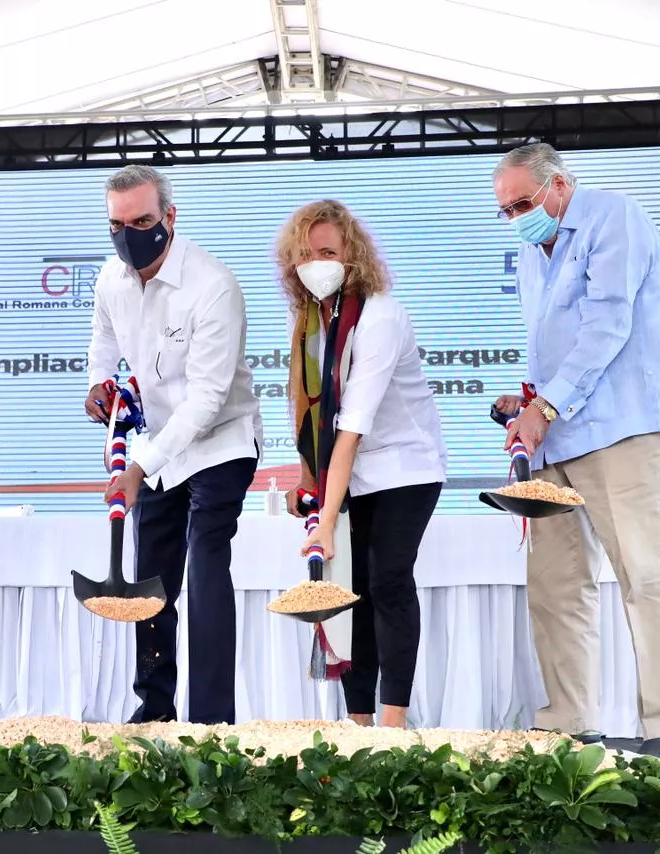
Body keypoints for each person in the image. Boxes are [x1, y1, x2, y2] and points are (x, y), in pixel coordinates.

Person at [492, 143, 660, 751]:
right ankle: (568, 724)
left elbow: (608, 324)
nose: (515, 218)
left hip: (624, 429)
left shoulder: (615, 219)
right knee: (555, 585)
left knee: (644, 577)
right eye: (503, 210)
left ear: (559, 187)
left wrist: (546, 405)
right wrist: (526, 399)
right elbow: (555, 342)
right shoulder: (532, 250)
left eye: (521, 203)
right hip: (557, 438)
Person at [85, 164, 262, 726]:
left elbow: (207, 400)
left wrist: (139, 466)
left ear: (170, 217)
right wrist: (98, 379)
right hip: (158, 443)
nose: (128, 236)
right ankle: (153, 712)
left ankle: (212, 724)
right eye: (116, 224)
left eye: (141, 221)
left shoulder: (214, 286)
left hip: (220, 442)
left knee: (206, 564)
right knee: (150, 575)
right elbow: (104, 334)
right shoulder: (110, 278)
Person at [276, 200, 446, 729]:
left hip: (404, 468)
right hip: (345, 472)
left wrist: (324, 524)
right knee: (351, 591)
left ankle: (393, 721)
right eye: (304, 254)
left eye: (327, 251)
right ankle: (359, 723)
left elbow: (350, 425)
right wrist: (307, 480)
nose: (314, 263)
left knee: (387, 580)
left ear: (354, 256)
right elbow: (308, 411)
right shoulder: (306, 320)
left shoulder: (380, 316)